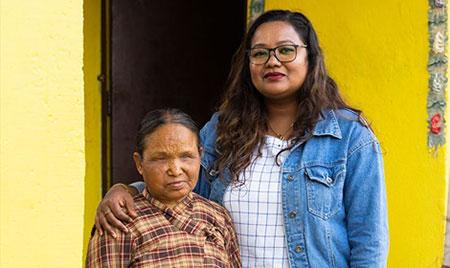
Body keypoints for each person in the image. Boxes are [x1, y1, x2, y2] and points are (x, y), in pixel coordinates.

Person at [95, 10, 388, 268]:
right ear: (248, 64)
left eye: (286, 50)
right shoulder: (223, 130)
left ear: (310, 57)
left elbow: (369, 242)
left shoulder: (349, 137)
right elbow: (184, 184)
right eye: (259, 53)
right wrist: (127, 190)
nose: (272, 61)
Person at [86, 108, 241, 267]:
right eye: (160, 158)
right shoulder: (119, 223)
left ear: (200, 155)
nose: (175, 170)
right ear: (139, 163)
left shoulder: (218, 216)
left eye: (186, 156)